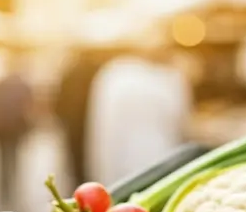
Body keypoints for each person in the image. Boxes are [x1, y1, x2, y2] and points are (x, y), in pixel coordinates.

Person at [85, 47, 192, 187]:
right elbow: (182, 123)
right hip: (162, 159)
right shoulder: (171, 78)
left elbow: (101, 128)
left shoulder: (114, 74)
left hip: (121, 161)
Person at [0, 63, 34, 210]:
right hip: (14, 128)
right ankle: (10, 186)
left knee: (3, 159)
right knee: (12, 157)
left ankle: (5, 187)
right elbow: (29, 106)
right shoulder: (23, 86)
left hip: (1, 128)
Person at [55, 52, 101, 186]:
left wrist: (61, 118)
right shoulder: (94, 74)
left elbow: (60, 99)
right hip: (88, 121)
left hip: (72, 123)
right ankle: (86, 180)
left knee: (74, 157)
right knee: (87, 154)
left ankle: (78, 181)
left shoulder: (69, 74)